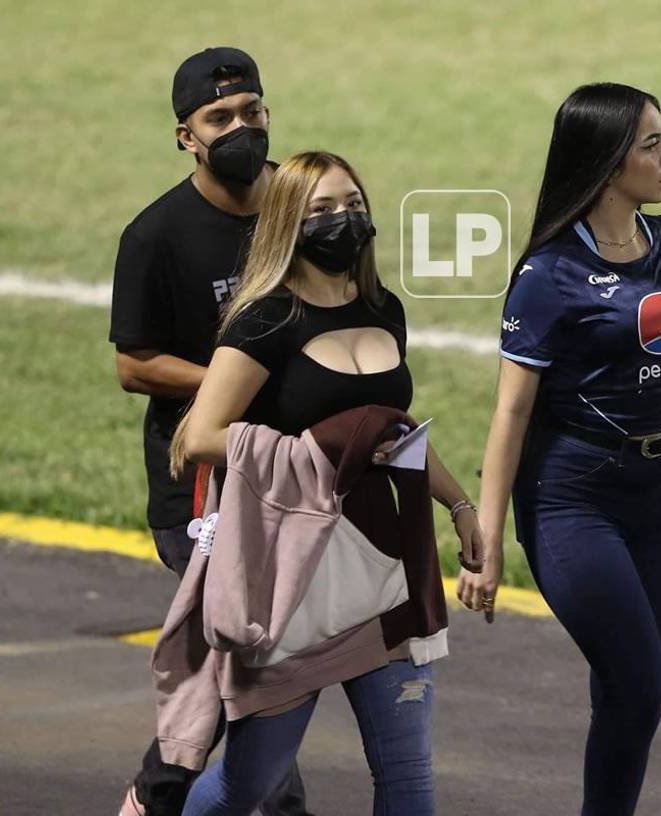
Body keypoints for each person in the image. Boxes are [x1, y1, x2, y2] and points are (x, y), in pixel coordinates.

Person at [458, 83, 661, 815]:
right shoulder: (547, 274)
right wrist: (487, 539)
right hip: (571, 499)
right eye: (651, 143)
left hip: (655, 496)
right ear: (605, 159)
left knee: (628, 691)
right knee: (640, 682)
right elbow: (511, 411)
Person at [167, 150, 483, 815]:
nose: (344, 220)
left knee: (410, 785)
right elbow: (197, 437)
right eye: (322, 210)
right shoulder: (266, 321)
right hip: (293, 579)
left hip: (385, 567)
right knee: (248, 787)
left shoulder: (383, 308)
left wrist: (458, 503)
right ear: (288, 221)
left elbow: (390, 433)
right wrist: (312, 451)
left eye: (354, 205)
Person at [108, 46, 311, 816]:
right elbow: (134, 363)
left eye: (252, 111)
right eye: (218, 118)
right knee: (247, 651)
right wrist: (239, 379)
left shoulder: (299, 209)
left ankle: (198, 799)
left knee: (259, 658)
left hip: (291, 469)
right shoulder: (156, 235)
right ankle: (165, 799)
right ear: (185, 136)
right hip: (199, 478)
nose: (240, 129)